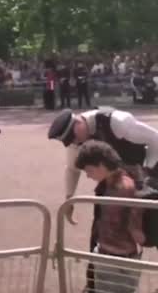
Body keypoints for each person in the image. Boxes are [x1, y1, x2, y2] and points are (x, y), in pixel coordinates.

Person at [48, 107, 158, 292]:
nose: (75, 143)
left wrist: (148, 174)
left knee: (153, 229)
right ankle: (94, 285)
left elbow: (155, 139)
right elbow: (72, 168)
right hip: (111, 186)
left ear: (78, 123)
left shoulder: (118, 122)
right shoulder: (77, 139)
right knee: (99, 231)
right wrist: (69, 198)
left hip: (145, 182)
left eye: (73, 138)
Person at [74, 140, 145, 293]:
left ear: (101, 165)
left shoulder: (120, 189)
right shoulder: (120, 182)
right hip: (120, 256)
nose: (88, 175)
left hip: (116, 258)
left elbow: (127, 227)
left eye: (89, 170)